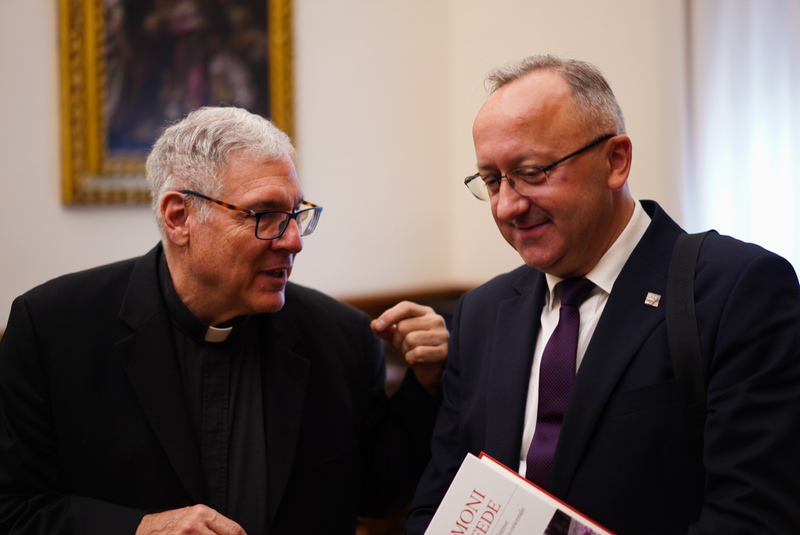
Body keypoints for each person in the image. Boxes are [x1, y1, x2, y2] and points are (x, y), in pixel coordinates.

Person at [0, 106, 448, 534]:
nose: (293, 241)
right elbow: (14, 509)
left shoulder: (341, 337)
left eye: (296, 213)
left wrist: (426, 388)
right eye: (266, 215)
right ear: (179, 217)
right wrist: (139, 529)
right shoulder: (53, 329)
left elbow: (376, 495)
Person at [405, 55, 800, 534]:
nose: (508, 205)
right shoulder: (481, 314)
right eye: (491, 180)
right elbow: (442, 499)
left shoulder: (735, 290)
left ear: (615, 161)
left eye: (532, 172)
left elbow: (751, 515)